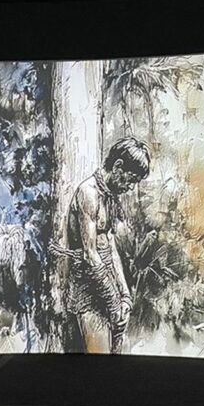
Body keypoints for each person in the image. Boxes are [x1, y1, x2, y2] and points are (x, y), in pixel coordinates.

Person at [63, 137, 151, 354]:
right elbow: (90, 254)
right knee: (100, 359)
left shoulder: (109, 196)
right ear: (118, 166)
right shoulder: (88, 193)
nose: (130, 187)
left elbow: (111, 249)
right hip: (88, 290)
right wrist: (113, 303)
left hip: (110, 287)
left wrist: (125, 296)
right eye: (131, 180)